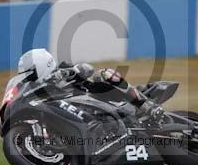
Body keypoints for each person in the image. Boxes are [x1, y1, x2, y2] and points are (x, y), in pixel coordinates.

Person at [17, 48, 165, 125]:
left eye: (30, 74)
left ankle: (147, 106)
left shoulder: (63, 69)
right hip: (84, 118)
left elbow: (88, 68)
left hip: (99, 99)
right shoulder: (38, 92)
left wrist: (70, 72)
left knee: (105, 74)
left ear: (42, 65)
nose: (28, 79)